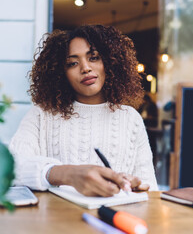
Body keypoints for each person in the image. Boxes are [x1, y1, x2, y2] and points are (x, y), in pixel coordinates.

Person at [9, 24, 158, 197]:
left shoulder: (130, 118)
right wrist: (67, 174)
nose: (85, 68)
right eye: (72, 63)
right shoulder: (42, 114)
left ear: (109, 62)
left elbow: (150, 189)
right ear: (60, 73)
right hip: (57, 220)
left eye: (93, 58)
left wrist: (133, 187)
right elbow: (11, 167)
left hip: (113, 218)